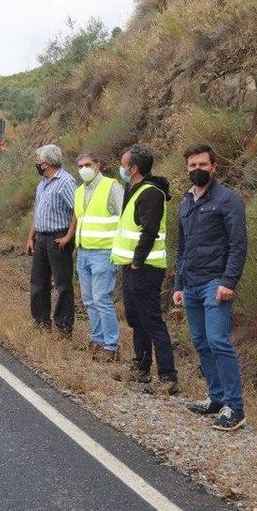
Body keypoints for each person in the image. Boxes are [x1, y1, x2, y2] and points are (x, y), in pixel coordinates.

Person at [173, 143, 249, 432]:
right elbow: (182, 248)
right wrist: (178, 284)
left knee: (218, 341)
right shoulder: (186, 201)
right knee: (201, 342)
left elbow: (238, 244)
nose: (197, 170)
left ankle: (235, 408)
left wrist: (229, 282)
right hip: (191, 284)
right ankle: (216, 398)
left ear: (214, 167)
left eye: (202, 165)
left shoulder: (228, 200)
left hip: (215, 282)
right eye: (192, 166)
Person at [112, 144, 178, 395]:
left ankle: (168, 376)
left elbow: (149, 231)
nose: (121, 168)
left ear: (134, 168)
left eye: (124, 164)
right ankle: (140, 367)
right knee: (136, 318)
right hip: (130, 266)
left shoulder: (150, 192)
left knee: (152, 321)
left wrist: (138, 260)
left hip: (145, 268)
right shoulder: (134, 188)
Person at [61, 152, 124, 362]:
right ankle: (97, 340)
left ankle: (111, 345)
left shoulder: (111, 186)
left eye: (87, 164)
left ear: (98, 165)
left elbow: (125, 217)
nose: (83, 169)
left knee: (102, 299)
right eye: (80, 166)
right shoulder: (79, 191)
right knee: (88, 300)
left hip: (104, 253)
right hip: (84, 252)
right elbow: (79, 219)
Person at [26, 144, 77, 335]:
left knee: (62, 284)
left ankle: (64, 326)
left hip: (58, 238)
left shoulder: (66, 182)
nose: (37, 163)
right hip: (41, 238)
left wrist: (68, 237)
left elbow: (77, 212)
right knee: (38, 282)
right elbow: (38, 212)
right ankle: (41, 322)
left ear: (46, 164)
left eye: (38, 160)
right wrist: (31, 237)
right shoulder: (43, 183)